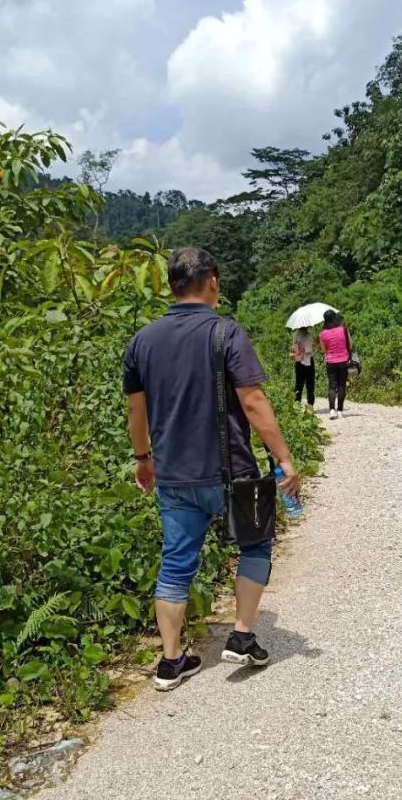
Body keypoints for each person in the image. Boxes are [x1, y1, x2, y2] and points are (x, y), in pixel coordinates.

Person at [123, 247, 301, 691]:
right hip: (231, 472)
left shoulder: (142, 341)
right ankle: (241, 636)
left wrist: (143, 459)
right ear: (214, 282)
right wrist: (283, 458)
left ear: (171, 286)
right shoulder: (226, 333)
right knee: (256, 545)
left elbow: (136, 411)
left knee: (176, 563)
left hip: (174, 475)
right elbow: (253, 401)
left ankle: (171, 662)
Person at [318, 310, 352, 420]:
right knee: (342, 385)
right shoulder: (343, 329)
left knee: (332, 385)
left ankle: (332, 410)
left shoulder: (322, 334)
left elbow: (324, 350)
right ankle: (340, 411)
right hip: (343, 361)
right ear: (335, 318)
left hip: (331, 362)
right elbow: (350, 344)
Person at [290, 327, 315, 410]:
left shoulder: (295, 335)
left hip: (298, 362)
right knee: (310, 384)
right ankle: (310, 405)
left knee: (298, 383)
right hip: (308, 362)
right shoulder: (308, 336)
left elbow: (294, 347)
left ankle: (297, 403)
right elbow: (308, 350)